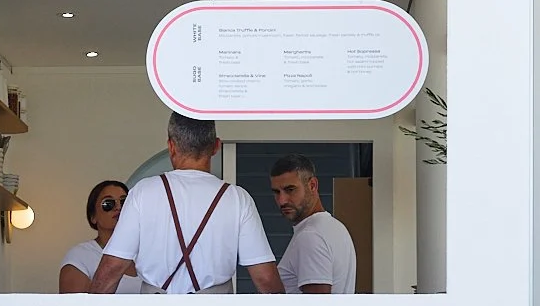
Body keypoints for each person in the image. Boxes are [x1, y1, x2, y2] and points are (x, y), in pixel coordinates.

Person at [90, 114, 282, 295]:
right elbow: (265, 278)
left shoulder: (143, 192)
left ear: (171, 146)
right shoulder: (237, 198)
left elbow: (112, 268)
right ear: (216, 146)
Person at [269, 154, 358, 294]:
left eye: (290, 190)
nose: (282, 200)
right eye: (276, 192)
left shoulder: (310, 236)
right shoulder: (335, 227)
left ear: (312, 185)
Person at [59, 180, 144, 293]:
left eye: (124, 202)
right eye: (108, 204)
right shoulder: (80, 256)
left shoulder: (145, 254)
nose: (118, 207)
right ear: (93, 216)